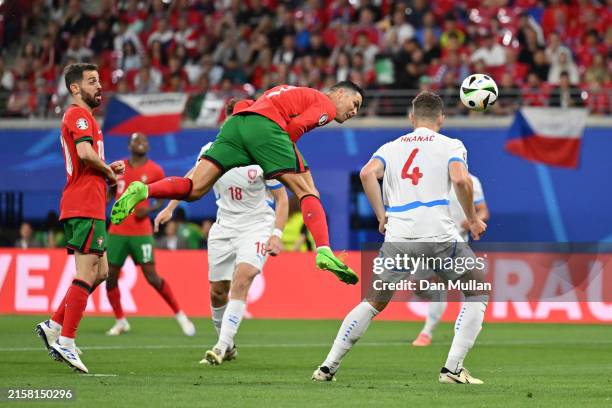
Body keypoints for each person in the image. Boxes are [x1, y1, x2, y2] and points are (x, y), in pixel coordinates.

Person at [312, 91, 489, 384]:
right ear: (441, 119)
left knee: (373, 301)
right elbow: (460, 179)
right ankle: (453, 369)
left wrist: (381, 215)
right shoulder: (451, 145)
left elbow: (368, 174)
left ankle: (328, 366)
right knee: (477, 290)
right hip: (437, 234)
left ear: (411, 117)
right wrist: (471, 219)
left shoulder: (391, 147)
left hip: (399, 235)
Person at [111, 82, 364, 285]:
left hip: (236, 124)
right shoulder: (325, 105)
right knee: (308, 189)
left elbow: (245, 105)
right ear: (340, 92)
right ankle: (324, 251)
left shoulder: (292, 90)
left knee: (195, 188)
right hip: (266, 129)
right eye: (355, 104)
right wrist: (275, 157)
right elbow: (295, 126)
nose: (354, 112)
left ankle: (144, 189)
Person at [154, 142, 288, 365]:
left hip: (257, 226)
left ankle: (221, 345)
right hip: (224, 226)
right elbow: (192, 178)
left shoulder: (262, 149)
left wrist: (277, 233)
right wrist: (171, 207)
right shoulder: (211, 149)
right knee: (218, 291)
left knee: (242, 279)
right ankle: (228, 346)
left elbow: (282, 198)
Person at [35, 63, 125, 374]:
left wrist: (106, 170)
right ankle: (67, 341)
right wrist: (109, 172)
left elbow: (88, 159)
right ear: (75, 89)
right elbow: (85, 155)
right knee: (87, 272)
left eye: (99, 80)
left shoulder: (87, 119)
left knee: (101, 271)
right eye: (91, 81)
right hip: (83, 204)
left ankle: (54, 325)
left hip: (91, 203)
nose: (99, 86)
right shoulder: (78, 114)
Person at [105, 132, 195, 337]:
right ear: (129, 145)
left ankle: (180, 315)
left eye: (145, 141)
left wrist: (151, 208)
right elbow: (111, 191)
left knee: (152, 277)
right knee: (109, 277)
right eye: (137, 141)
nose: (142, 144)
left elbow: (164, 195)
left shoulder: (155, 170)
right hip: (117, 232)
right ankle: (120, 321)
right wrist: (104, 201)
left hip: (141, 232)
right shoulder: (119, 167)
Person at [411, 173, 489, 347]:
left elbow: (483, 210)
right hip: (428, 239)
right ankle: (437, 303)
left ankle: (426, 332)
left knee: (440, 285)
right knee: (417, 287)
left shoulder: (471, 180)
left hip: (455, 242)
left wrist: (473, 220)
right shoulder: (429, 176)